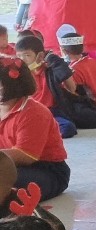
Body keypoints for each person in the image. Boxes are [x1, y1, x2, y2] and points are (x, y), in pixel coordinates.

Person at [0, 59, 70, 199]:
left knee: (5, 181)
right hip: (8, 164)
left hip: (47, 170)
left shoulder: (33, 112)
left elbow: (25, 156)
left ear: (11, 85)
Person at [57, 28, 96, 120]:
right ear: (83, 48)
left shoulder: (72, 69)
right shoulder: (94, 62)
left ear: (64, 51)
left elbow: (71, 91)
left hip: (91, 106)